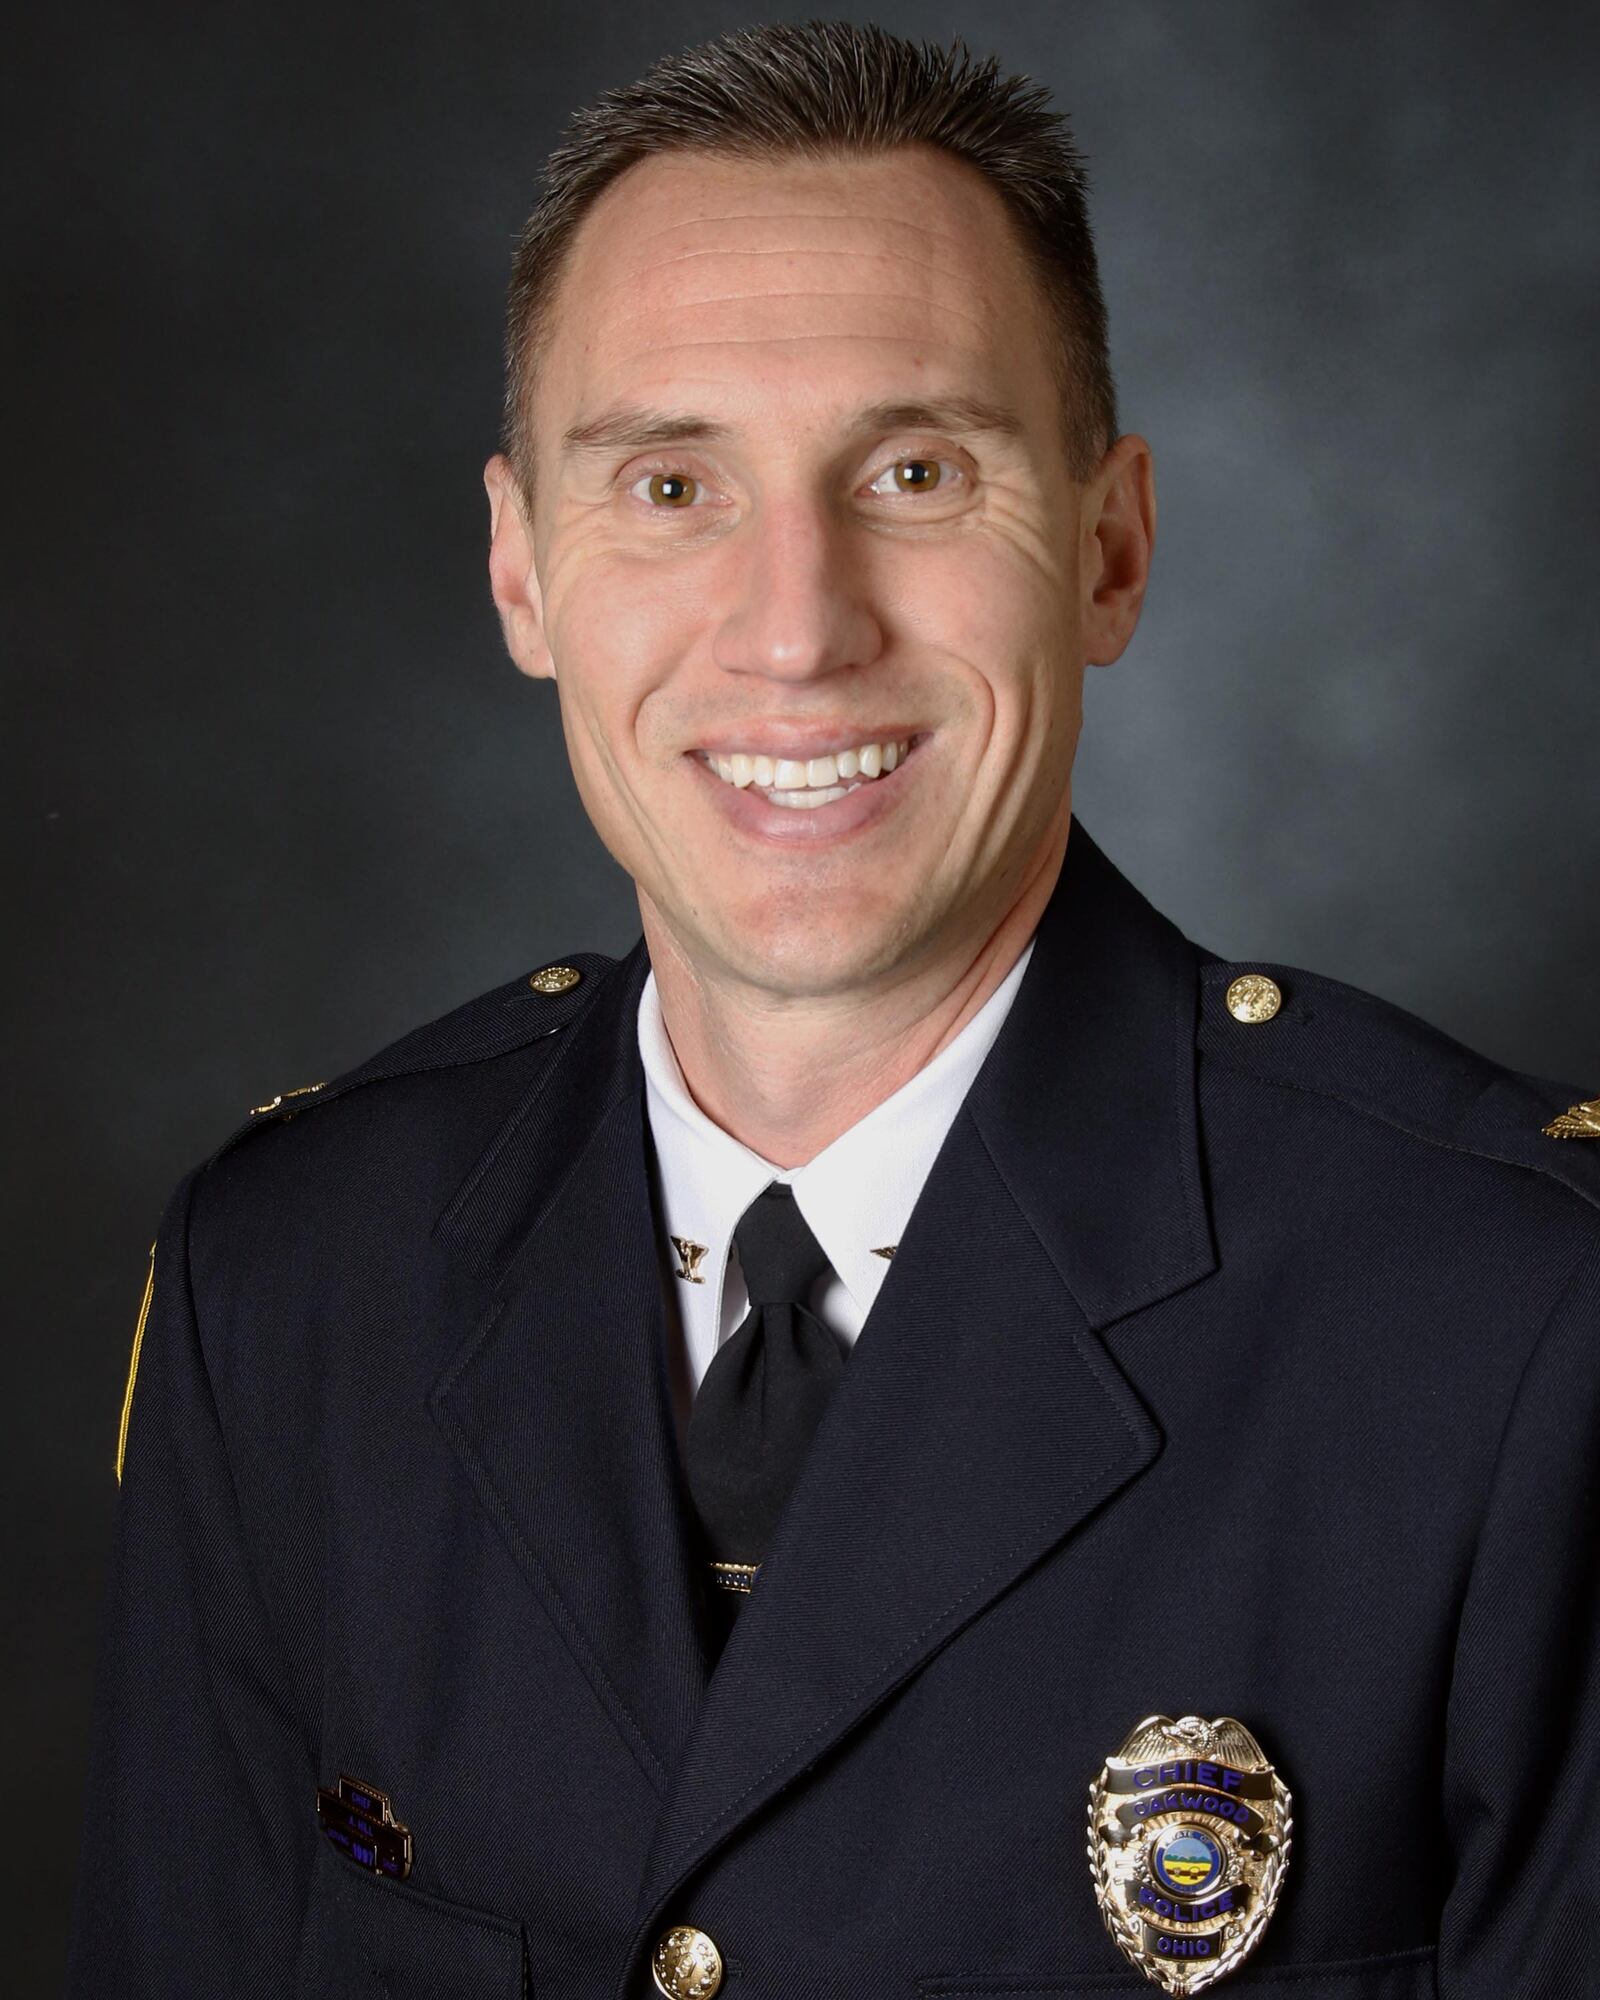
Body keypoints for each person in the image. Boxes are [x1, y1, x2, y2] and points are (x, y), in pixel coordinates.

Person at [68, 21, 1598, 2000]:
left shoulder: (1512, 1329)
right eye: (670, 482)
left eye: (913, 470)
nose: (798, 627)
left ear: (1110, 548)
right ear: (521, 569)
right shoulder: (292, 1281)